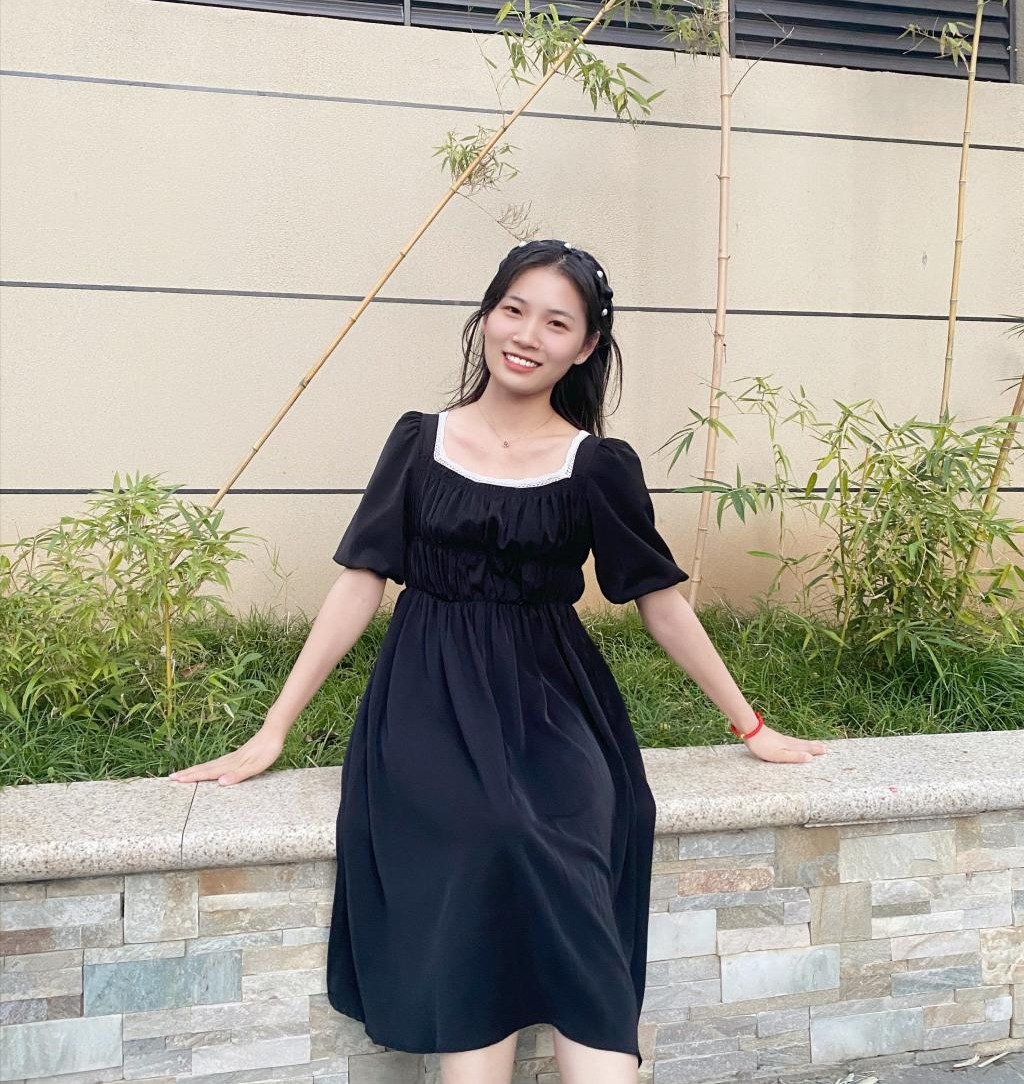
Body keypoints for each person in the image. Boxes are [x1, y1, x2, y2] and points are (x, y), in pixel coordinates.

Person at [168, 238, 827, 1084]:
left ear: (585, 346)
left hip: (552, 702)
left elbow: (661, 603)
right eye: (514, 310)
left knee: (575, 841)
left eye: (557, 322)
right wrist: (273, 729)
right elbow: (360, 582)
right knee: (489, 834)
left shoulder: (597, 465)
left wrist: (751, 725)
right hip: (427, 694)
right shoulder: (420, 441)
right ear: (486, 317)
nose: (527, 334)